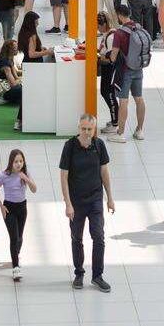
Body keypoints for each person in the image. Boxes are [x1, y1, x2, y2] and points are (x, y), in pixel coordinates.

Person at [59, 114, 115, 291]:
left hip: (95, 199)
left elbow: (104, 172)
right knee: (77, 237)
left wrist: (110, 198)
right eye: (83, 129)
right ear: (78, 128)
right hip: (76, 202)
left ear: (94, 129)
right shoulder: (69, 147)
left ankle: (97, 276)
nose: (86, 132)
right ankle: (79, 273)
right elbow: (64, 176)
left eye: (89, 129)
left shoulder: (99, 145)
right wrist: (68, 203)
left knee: (98, 236)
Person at [0, 149, 35, 282]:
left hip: (22, 207)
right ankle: (16, 267)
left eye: (21, 161)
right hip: (9, 208)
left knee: (20, 237)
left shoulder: (25, 174)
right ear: (11, 162)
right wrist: (1, 206)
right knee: (14, 237)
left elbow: (34, 189)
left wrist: (26, 178)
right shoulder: (5, 175)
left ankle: (15, 255)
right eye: (16, 161)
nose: (18, 164)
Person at [106, 12, 152, 141]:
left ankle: (120, 133)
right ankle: (140, 130)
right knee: (139, 98)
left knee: (123, 101)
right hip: (139, 68)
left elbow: (114, 56)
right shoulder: (138, 27)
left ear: (120, 16)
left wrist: (108, 58)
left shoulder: (119, 33)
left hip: (124, 71)